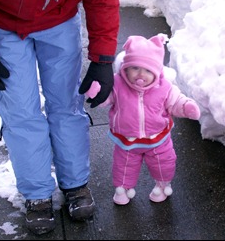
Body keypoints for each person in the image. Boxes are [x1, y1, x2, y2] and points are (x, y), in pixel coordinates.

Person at [0, 0, 122, 235]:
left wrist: (103, 57)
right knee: (20, 111)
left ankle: (75, 184)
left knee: (67, 105)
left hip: (59, 19)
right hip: (2, 23)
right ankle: (37, 193)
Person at [84, 33, 201, 205]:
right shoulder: (117, 84)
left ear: (157, 72)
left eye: (148, 70)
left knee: (164, 164)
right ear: (125, 68)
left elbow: (175, 101)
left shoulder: (165, 87)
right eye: (135, 68)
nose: (141, 74)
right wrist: (97, 92)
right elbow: (106, 98)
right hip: (127, 140)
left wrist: (185, 107)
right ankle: (122, 189)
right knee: (124, 167)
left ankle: (162, 185)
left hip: (158, 139)